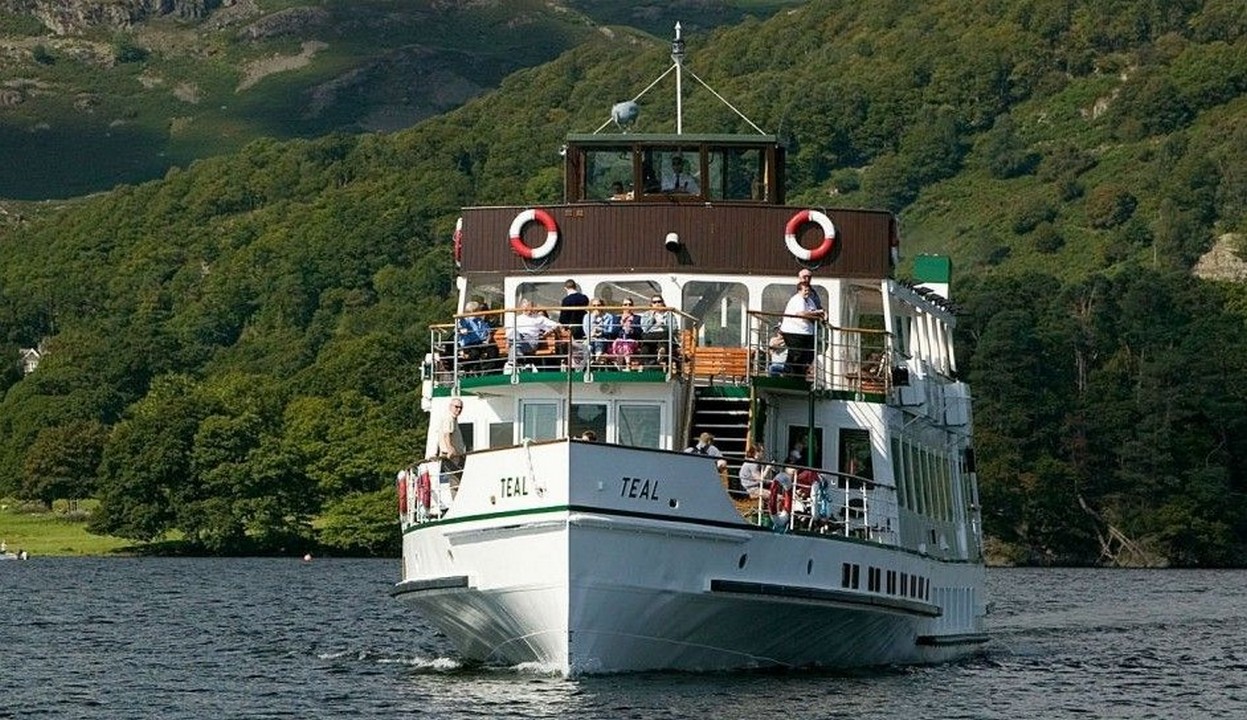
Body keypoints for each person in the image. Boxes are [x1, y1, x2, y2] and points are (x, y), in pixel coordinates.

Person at [780, 282, 824, 377]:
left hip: (806, 332)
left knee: (807, 355)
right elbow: (801, 314)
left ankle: (799, 376)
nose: (807, 292)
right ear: (799, 290)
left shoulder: (809, 301)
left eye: (808, 290)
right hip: (793, 331)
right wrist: (817, 312)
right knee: (796, 355)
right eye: (805, 290)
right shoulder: (797, 300)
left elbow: (812, 312)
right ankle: (789, 376)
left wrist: (820, 313)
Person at [457, 301, 497, 372]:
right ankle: (474, 372)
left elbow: (488, 330)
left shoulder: (480, 320)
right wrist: (462, 329)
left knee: (493, 350)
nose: (480, 312)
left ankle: (487, 370)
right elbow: (459, 328)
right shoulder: (466, 321)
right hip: (469, 344)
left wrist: (488, 338)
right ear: (473, 311)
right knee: (475, 353)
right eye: (478, 310)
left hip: (480, 343)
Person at [640, 294, 675, 368]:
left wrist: (664, 324)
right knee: (645, 345)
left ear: (663, 303)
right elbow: (644, 328)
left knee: (665, 334)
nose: (657, 304)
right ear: (651, 304)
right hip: (651, 335)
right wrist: (652, 317)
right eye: (654, 302)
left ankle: (661, 351)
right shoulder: (647, 314)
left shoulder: (668, 314)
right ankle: (648, 364)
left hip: (663, 334)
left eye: (659, 302)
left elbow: (674, 328)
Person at [438, 399, 467, 487]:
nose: (459, 409)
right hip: (452, 457)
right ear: (450, 406)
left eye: (460, 407)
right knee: (456, 481)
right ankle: (458, 500)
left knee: (458, 480)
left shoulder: (453, 418)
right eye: (456, 407)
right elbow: (447, 434)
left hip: (455, 456)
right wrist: (450, 449)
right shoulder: (449, 418)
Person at [582, 298, 618, 364]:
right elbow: (586, 331)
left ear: (602, 306)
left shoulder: (609, 317)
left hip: (603, 339)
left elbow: (610, 331)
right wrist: (593, 318)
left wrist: (602, 332)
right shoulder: (587, 317)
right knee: (587, 345)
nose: (596, 308)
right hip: (591, 338)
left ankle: (597, 361)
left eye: (598, 305)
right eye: (594, 306)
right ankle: (591, 362)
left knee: (599, 343)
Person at [610, 298, 641, 369]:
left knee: (626, 345)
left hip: (632, 340)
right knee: (620, 344)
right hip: (619, 340)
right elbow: (613, 333)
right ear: (622, 306)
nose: (628, 306)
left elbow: (639, 333)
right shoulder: (617, 318)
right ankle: (620, 366)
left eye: (630, 304)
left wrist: (632, 330)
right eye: (625, 304)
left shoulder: (637, 318)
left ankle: (627, 366)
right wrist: (621, 323)